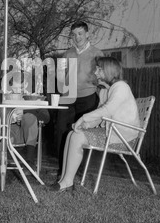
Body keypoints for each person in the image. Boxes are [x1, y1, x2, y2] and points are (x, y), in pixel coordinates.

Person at [51, 56, 140, 192]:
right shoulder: (105, 91)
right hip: (111, 131)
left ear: (109, 71)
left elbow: (108, 110)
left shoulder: (121, 87)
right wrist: (87, 125)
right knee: (71, 134)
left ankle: (68, 181)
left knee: (77, 137)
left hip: (123, 136)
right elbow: (101, 116)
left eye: (99, 69)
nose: (95, 72)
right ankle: (64, 178)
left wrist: (84, 118)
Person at [54, 21, 104, 179]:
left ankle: (79, 171)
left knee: (82, 134)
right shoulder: (67, 54)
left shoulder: (97, 54)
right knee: (62, 131)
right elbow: (60, 78)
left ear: (87, 34)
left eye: (80, 33)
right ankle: (62, 170)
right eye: (74, 34)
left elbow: (103, 77)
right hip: (68, 98)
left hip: (88, 98)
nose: (77, 37)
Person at [9, 71, 50, 167]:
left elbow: (46, 118)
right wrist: (10, 116)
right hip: (10, 131)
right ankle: (1, 167)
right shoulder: (6, 97)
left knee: (29, 117)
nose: (17, 91)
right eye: (14, 88)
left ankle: (29, 162)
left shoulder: (34, 98)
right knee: (5, 131)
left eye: (21, 88)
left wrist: (25, 111)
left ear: (26, 84)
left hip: (29, 134)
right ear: (10, 86)